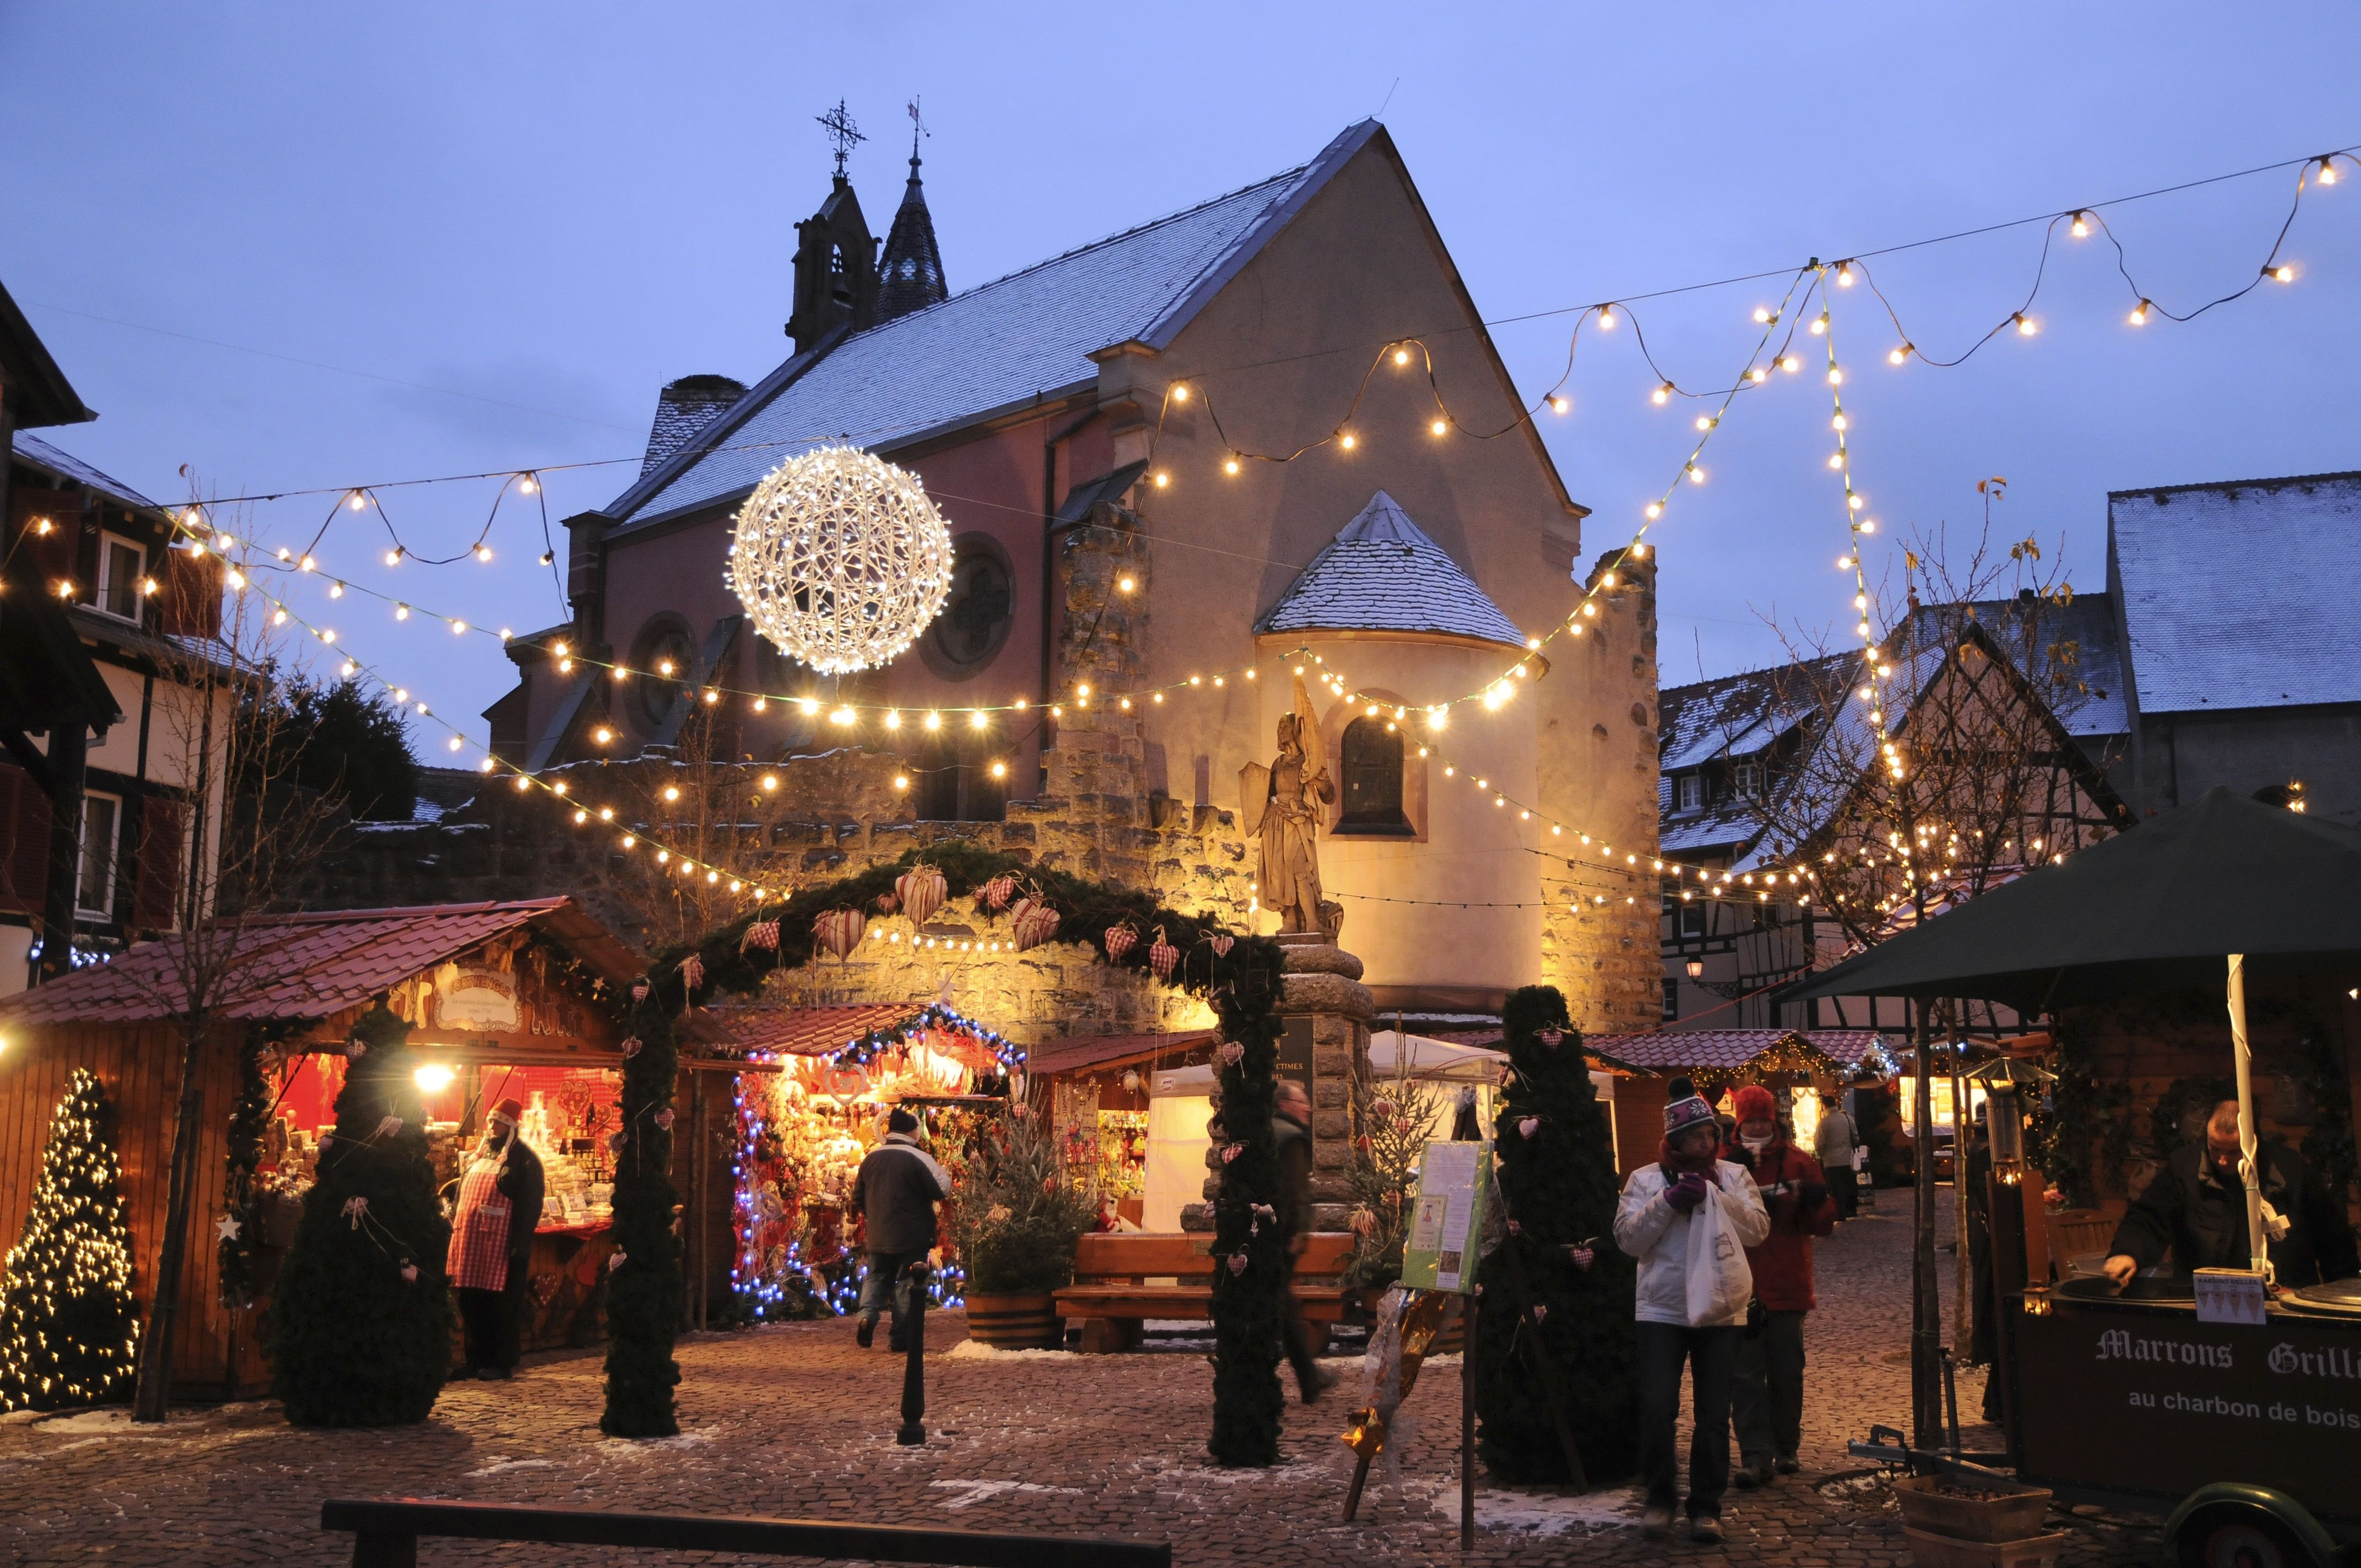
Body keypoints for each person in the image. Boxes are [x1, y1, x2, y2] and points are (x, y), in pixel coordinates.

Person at [1615, 1076, 1771, 1544]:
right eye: (1697, 1136)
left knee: (1712, 1413)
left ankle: (1706, 1505)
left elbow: (1758, 1230)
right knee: (1658, 1406)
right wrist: (1666, 1203)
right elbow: (1628, 1240)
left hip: (1721, 1310)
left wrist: (1715, 1196)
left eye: (1711, 1136)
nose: (1706, 1143)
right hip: (1662, 1310)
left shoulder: (1734, 1177)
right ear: (1677, 1139)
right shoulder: (1644, 1180)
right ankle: (1659, 1499)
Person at [2102, 1099, 2359, 1288]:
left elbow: (2331, 1234)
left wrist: (2345, 1287)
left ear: (2253, 1142)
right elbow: (2149, 1217)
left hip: (2285, 1301)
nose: (2223, 1161)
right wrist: (2128, 1251)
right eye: (2215, 1149)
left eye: (2234, 1152)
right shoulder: (2184, 1168)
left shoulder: (2290, 1170)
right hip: (2202, 1303)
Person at [1723, 1085, 1835, 1487]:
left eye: (1762, 1119)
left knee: (1787, 1372)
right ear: (1739, 1122)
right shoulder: (1722, 1165)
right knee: (1747, 1376)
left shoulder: (1799, 1162)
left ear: (1773, 1121)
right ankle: (1756, 1455)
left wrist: (1815, 1203)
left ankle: (1787, 1447)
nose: (1756, 1126)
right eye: (1749, 1119)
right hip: (1740, 1286)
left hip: (1787, 1283)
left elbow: (1822, 1225)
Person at [447, 1097, 545, 1381]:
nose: (492, 1127)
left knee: (500, 1306)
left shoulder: (525, 1160)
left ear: (511, 1126)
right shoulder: (478, 1155)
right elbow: (462, 1192)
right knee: (471, 1301)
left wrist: (519, 1244)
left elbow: (530, 1206)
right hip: (471, 1243)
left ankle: (500, 1362)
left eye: (499, 1123)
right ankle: (474, 1360)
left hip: (502, 1246)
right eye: (491, 1121)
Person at [849, 1107, 951, 1351]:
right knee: (906, 1284)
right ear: (912, 1131)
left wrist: (872, 1216)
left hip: (878, 1234)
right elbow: (941, 1190)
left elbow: (857, 1197)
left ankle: (867, 1316)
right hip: (912, 1234)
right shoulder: (919, 1158)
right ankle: (900, 1338)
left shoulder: (871, 1158)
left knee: (876, 1277)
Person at [1272, 1080, 1335, 1403]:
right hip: (1282, 1236)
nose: (1308, 1107)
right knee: (1282, 1306)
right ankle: (1309, 1379)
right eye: (1302, 1101)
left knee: (1281, 1305)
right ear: (1285, 1104)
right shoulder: (1292, 1138)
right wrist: (1299, 1232)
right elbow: (1298, 1191)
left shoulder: (1265, 1131)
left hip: (1263, 1233)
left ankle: (1309, 1377)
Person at [1814, 1093, 1859, 1222]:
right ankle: (1851, 1209)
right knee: (1849, 1185)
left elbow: (1819, 1143)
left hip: (1831, 1161)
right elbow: (1855, 1136)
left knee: (1836, 1188)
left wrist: (1822, 1155)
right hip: (1848, 1158)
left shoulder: (1824, 1123)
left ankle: (1840, 1213)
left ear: (1824, 1106)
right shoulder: (1846, 1118)